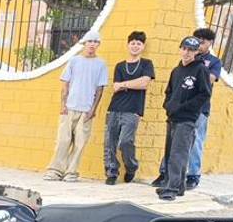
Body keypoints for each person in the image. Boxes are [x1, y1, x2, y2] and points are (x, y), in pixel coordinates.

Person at [44, 30, 110, 183]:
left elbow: (100, 89)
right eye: (90, 41)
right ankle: (55, 170)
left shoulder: (101, 64)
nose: (92, 44)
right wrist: (63, 105)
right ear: (84, 43)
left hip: (86, 110)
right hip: (69, 107)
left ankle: (71, 172)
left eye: (95, 42)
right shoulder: (74, 61)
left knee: (80, 143)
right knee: (63, 140)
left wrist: (93, 110)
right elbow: (65, 84)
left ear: (98, 44)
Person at [153, 37, 212, 201]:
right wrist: (168, 105)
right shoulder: (176, 70)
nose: (187, 53)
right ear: (180, 49)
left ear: (196, 52)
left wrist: (185, 108)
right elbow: (169, 91)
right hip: (172, 117)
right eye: (184, 49)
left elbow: (204, 94)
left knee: (179, 153)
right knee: (170, 151)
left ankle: (171, 188)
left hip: (187, 118)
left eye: (191, 50)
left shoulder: (200, 70)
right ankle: (176, 186)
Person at [103, 31, 156, 185]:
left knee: (125, 142)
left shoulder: (147, 64)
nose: (135, 46)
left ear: (143, 46)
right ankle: (111, 171)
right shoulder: (120, 65)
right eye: (132, 43)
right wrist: (132, 84)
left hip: (133, 110)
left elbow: (145, 83)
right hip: (114, 107)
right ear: (128, 45)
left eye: (138, 43)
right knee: (109, 142)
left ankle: (131, 166)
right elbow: (115, 87)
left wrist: (124, 84)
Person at [186, 27, 222, 190]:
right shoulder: (187, 57)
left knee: (196, 141)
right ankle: (167, 172)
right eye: (197, 40)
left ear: (210, 43)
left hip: (200, 107)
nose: (200, 44)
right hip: (182, 105)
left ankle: (193, 175)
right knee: (175, 140)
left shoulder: (214, 61)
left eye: (203, 41)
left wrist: (195, 72)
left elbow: (211, 78)